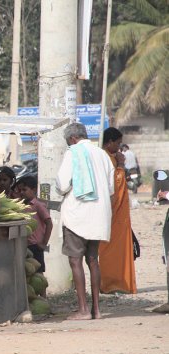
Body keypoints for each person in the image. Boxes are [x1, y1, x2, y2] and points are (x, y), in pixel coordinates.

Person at [56, 123, 115, 320]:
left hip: (77, 215)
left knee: (75, 260)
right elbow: (111, 189)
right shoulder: (102, 154)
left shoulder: (73, 153)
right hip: (99, 215)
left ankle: (82, 310)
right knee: (93, 260)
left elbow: (62, 184)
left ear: (72, 139)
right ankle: (96, 310)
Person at [99, 128, 137, 294]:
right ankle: (110, 283)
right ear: (109, 142)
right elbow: (115, 184)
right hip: (112, 212)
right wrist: (121, 165)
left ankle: (119, 282)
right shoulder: (105, 158)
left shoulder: (110, 157)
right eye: (118, 143)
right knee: (109, 249)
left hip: (117, 213)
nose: (119, 147)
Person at [16, 176, 53, 280]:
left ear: (33, 190)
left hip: (35, 246)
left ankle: (43, 296)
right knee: (28, 272)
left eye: (24, 190)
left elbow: (49, 223)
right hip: (24, 245)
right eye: (20, 190)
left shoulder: (38, 205)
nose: (22, 192)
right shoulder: (21, 205)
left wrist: (43, 244)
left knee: (39, 272)